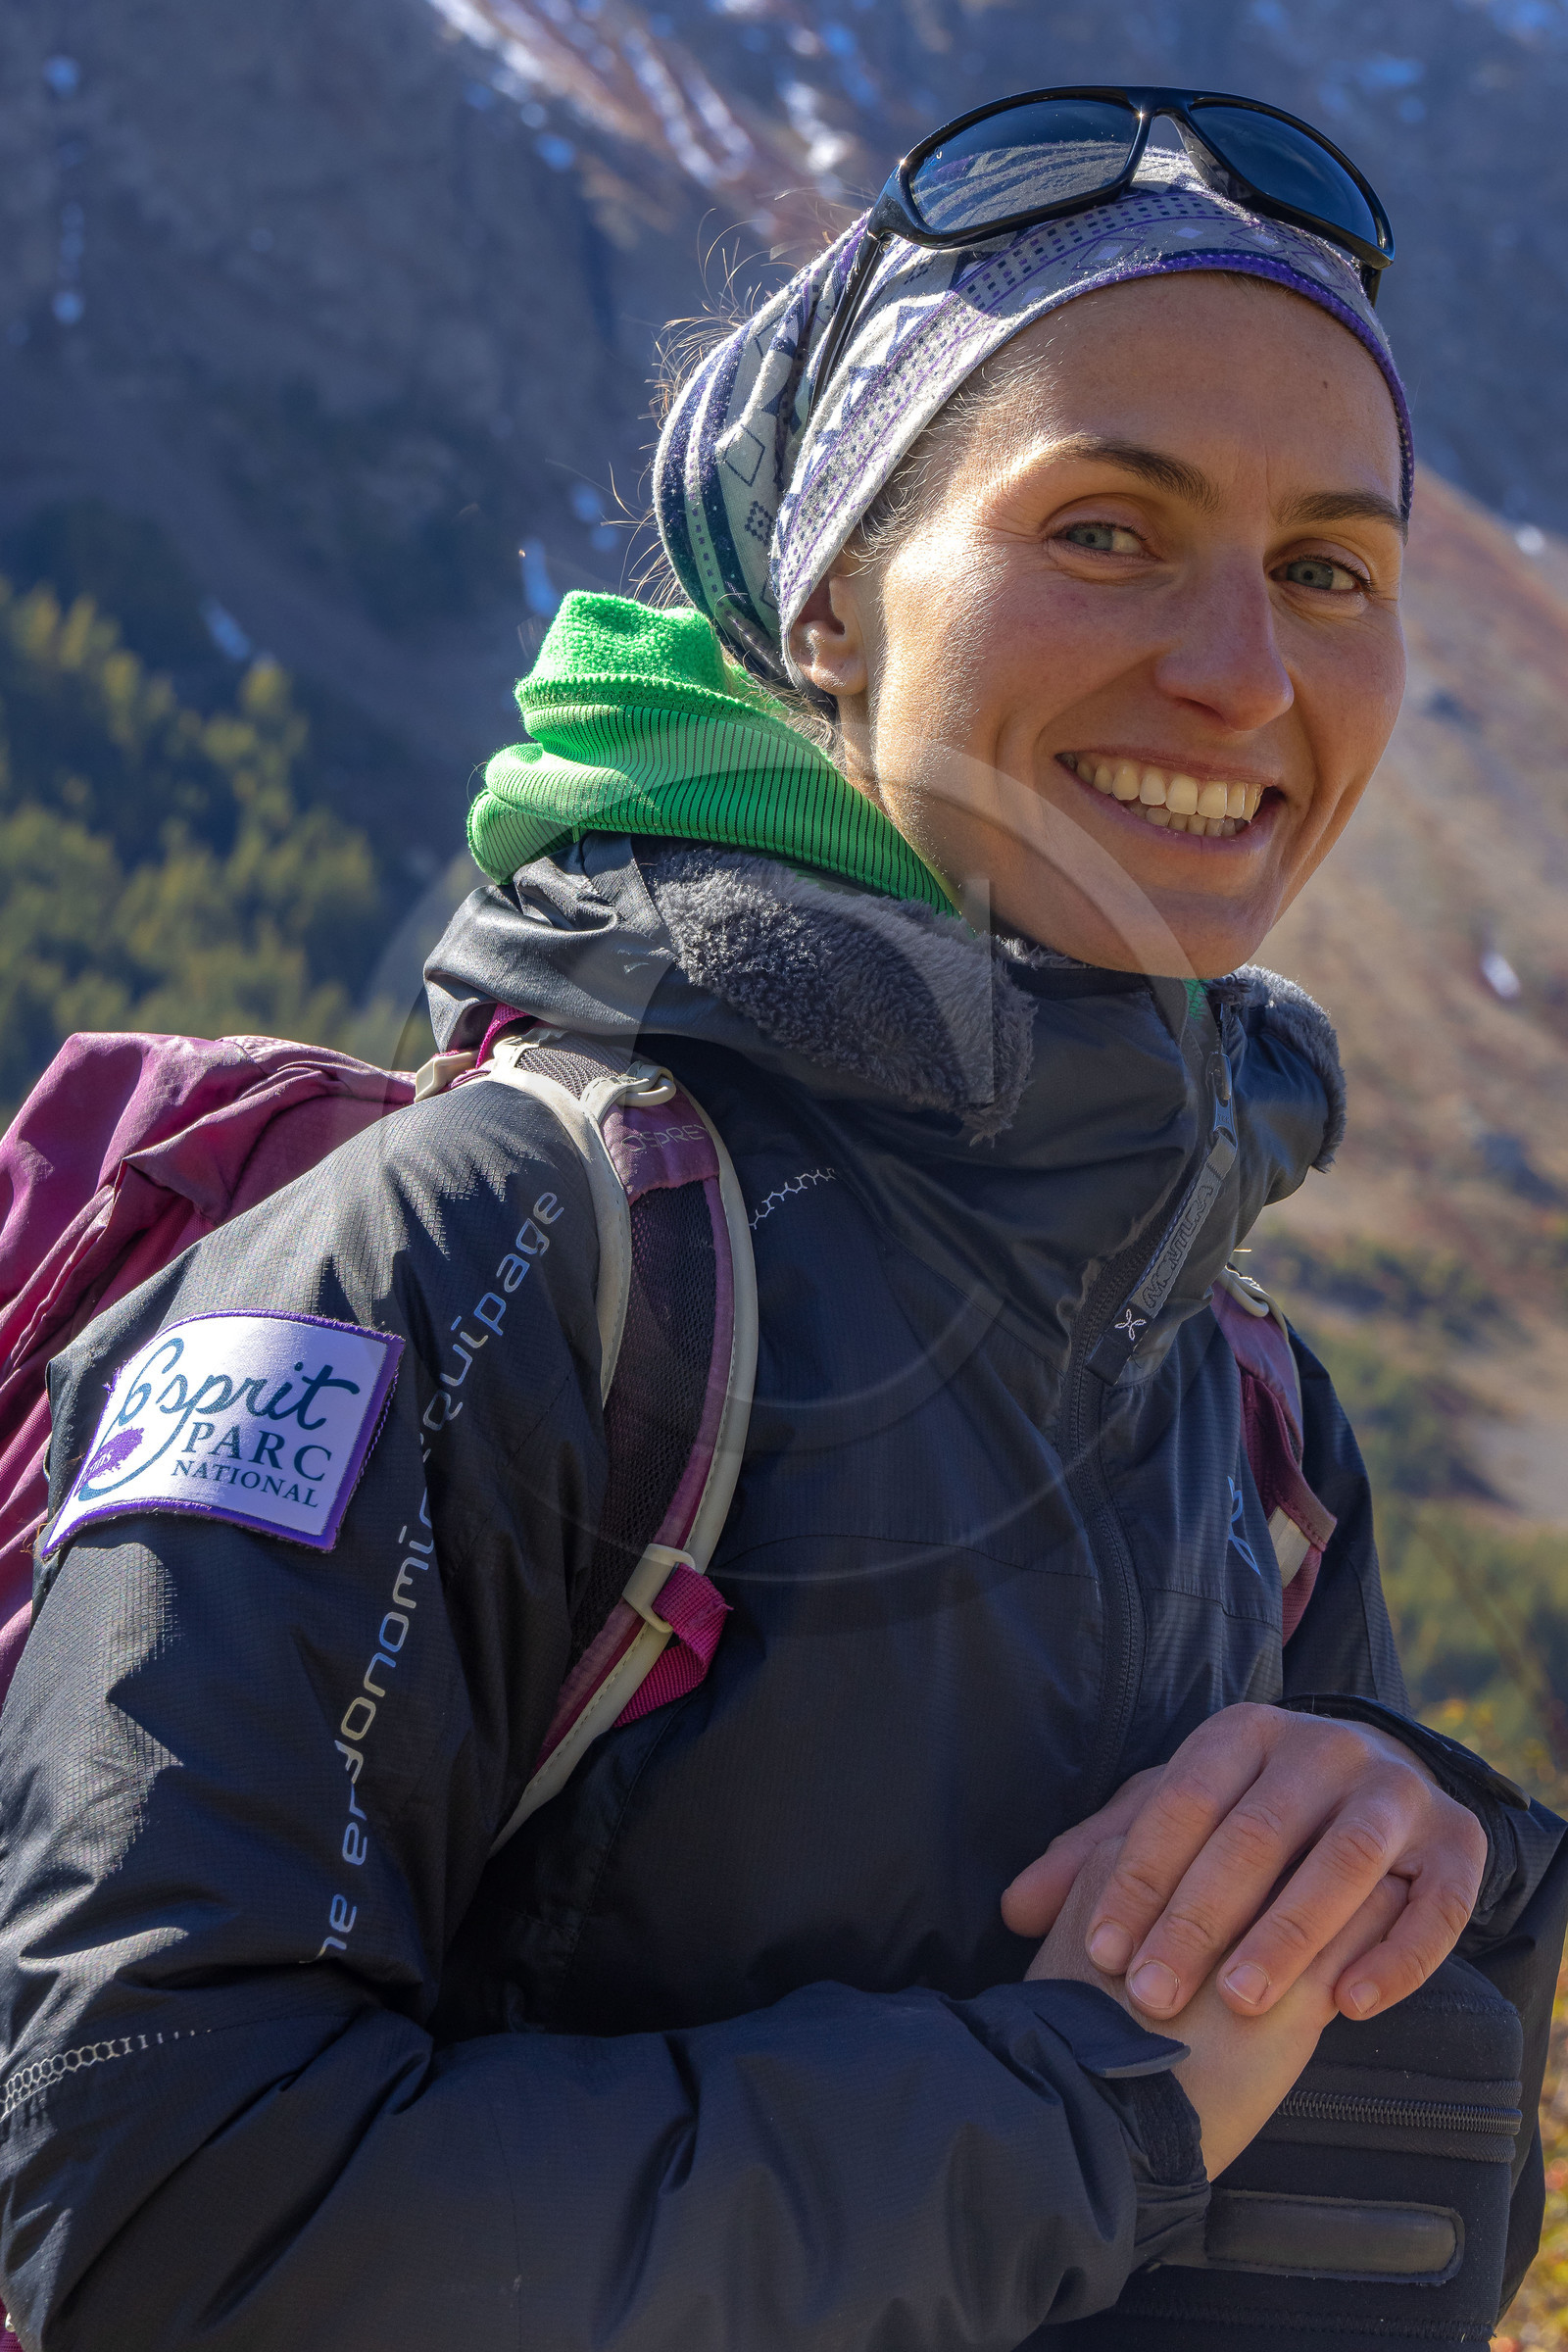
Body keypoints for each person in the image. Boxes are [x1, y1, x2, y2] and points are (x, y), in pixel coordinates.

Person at [0, 88, 1560, 2351]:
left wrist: (1412, 1857)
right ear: (827, 607)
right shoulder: (494, 1257)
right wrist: (1075, 2111)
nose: (1240, 671)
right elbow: (141, 2203)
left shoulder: (1248, 1414)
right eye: (1104, 529)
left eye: (1326, 569)